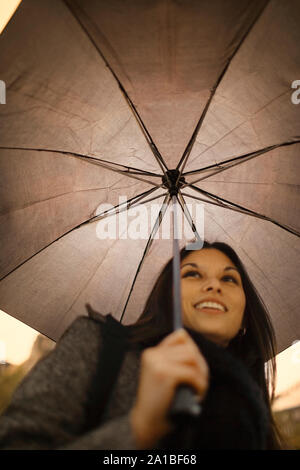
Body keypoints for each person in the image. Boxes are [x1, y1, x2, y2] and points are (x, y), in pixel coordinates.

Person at [0, 241, 283, 449]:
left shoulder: (251, 402)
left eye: (229, 278)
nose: (213, 285)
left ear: (245, 318)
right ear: (166, 298)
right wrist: (139, 428)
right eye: (193, 274)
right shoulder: (97, 346)